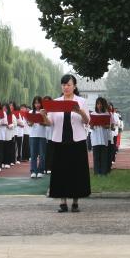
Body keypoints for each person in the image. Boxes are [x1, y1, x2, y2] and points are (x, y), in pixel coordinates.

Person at [42, 74, 91, 212]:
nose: (66, 87)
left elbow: (87, 121)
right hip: (59, 141)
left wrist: (80, 112)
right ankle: (62, 203)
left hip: (77, 141)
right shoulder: (56, 102)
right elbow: (49, 123)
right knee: (60, 172)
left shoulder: (81, 101)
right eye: (63, 85)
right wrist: (43, 115)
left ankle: (75, 202)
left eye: (69, 85)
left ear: (74, 86)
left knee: (77, 172)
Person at [90, 97, 112, 176]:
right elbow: (90, 126)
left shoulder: (106, 114)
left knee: (103, 156)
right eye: (98, 104)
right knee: (96, 156)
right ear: (96, 105)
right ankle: (97, 172)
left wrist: (103, 125)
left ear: (103, 105)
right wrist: (92, 125)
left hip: (103, 137)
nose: (99, 105)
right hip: (95, 137)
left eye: (100, 104)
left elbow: (108, 126)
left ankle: (104, 172)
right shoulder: (93, 114)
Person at [28, 96, 48, 178]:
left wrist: (41, 122)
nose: (37, 105)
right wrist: (32, 122)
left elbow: (47, 123)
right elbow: (29, 124)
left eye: (39, 103)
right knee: (33, 154)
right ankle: (33, 170)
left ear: (41, 103)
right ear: (33, 104)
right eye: (35, 103)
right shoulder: (30, 112)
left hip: (42, 135)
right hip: (33, 135)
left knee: (42, 154)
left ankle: (40, 170)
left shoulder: (44, 112)